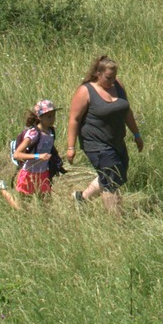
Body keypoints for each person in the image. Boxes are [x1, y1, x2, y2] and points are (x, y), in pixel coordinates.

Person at [63, 54, 142, 214]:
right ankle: (117, 222)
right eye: (108, 78)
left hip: (116, 141)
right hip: (96, 144)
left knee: (118, 173)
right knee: (111, 178)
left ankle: (81, 198)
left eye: (114, 77)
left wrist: (137, 134)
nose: (112, 81)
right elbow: (74, 119)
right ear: (97, 74)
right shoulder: (85, 91)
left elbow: (127, 111)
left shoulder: (118, 86)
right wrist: (71, 147)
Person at [0, 99, 61, 210]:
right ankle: (1, 189)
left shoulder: (50, 132)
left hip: (43, 174)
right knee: (21, 208)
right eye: (49, 116)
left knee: (46, 206)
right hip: (28, 174)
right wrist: (37, 156)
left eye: (53, 116)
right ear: (40, 117)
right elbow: (17, 154)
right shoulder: (33, 134)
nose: (52, 119)